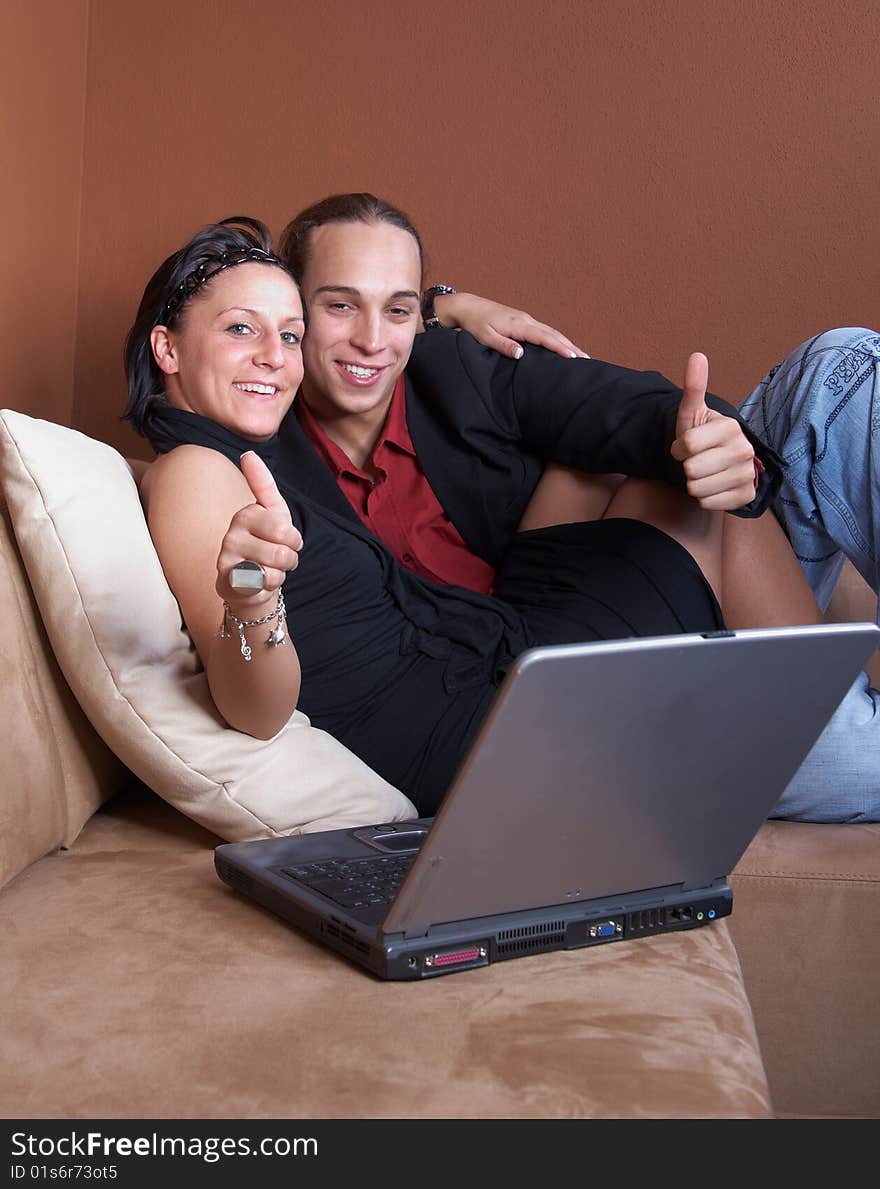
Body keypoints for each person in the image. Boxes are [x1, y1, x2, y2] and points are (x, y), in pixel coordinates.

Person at [127, 214, 808, 817]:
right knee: (732, 478)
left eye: (287, 333)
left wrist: (442, 303)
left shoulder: (247, 460)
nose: (275, 357)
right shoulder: (192, 473)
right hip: (498, 748)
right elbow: (255, 708)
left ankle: (814, 709)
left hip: (499, 680)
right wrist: (253, 597)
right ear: (168, 349)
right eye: (241, 329)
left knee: (683, 474)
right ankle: (818, 727)